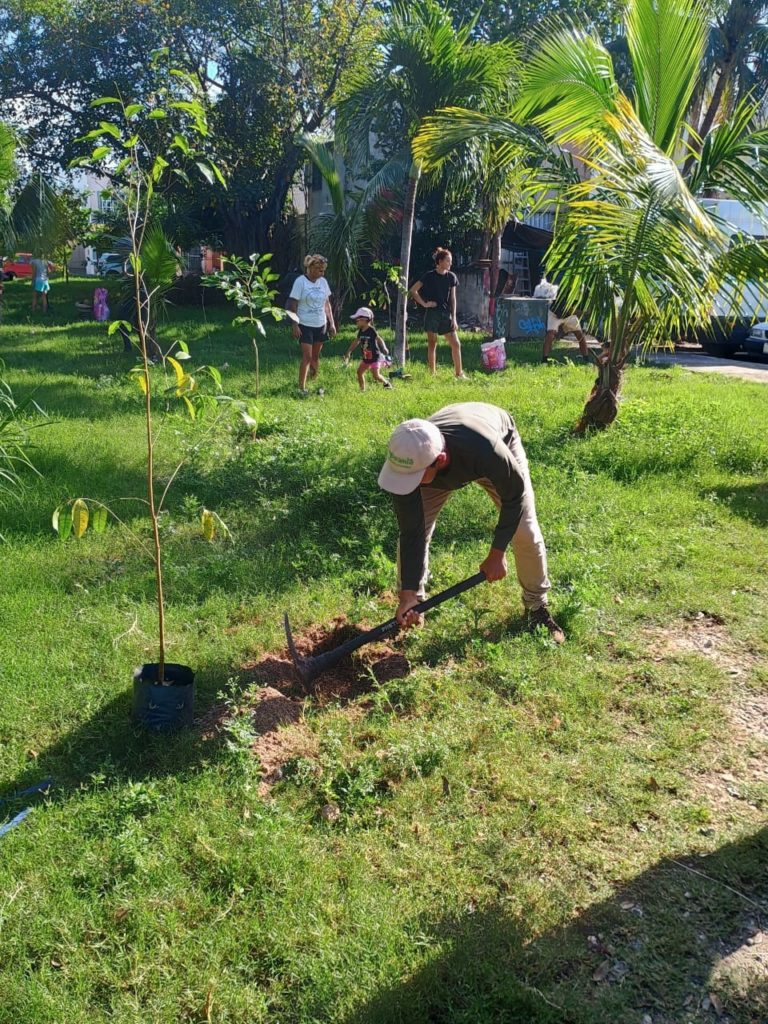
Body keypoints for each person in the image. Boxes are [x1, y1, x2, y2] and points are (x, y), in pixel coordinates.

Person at [378, 402, 565, 643]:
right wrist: (407, 594)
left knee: (524, 531)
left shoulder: (485, 448)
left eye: (413, 477)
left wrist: (497, 553)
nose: (405, 483)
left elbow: (514, 496)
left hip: (496, 445)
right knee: (418, 531)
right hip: (449, 458)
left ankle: (537, 607)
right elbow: (411, 532)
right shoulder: (408, 460)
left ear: (440, 459)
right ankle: (414, 605)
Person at [409, 247, 467, 378]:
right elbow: (413, 290)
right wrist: (424, 304)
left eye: (450, 261)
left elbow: (453, 298)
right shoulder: (429, 276)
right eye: (448, 261)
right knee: (432, 343)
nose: (450, 264)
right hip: (432, 314)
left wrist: (454, 318)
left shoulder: (451, 277)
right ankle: (432, 374)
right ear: (439, 261)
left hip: (446, 314)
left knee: (456, 344)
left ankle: (459, 374)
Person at [286, 254, 336, 396]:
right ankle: (301, 387)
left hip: (320, 323)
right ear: (311, 268)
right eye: (320, 270)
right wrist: (295, 324)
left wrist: (331, 324)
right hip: (305, 324)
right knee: (307, 357)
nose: (322, 273)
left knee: (315, 356)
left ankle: (313, 380)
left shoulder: (323, 282)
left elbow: (327, 304)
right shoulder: (300, 282)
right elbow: (292, 304)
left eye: (324, 270)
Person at [533, 275, 590, 362]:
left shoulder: (582, 291)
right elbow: (570, 309)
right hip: (555, 314)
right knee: (550, 335)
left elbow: (579, 308)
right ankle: (544, 359)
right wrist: (585, 313)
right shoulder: (564, 289)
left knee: (580, 335)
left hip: (569, 315)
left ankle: (586, 359)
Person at [343, 307, 393, 392]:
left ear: (364, 320)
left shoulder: (371, 330)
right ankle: (362, 390)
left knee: (376, 376)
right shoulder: (361, 331)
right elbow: (356, 341)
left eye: (357, 320)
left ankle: (386, 383)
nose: (356, 322)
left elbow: (379, 339)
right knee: (359, 372)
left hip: (375, 358)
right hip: (366, 357)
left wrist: (384, 347)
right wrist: (349, 351)